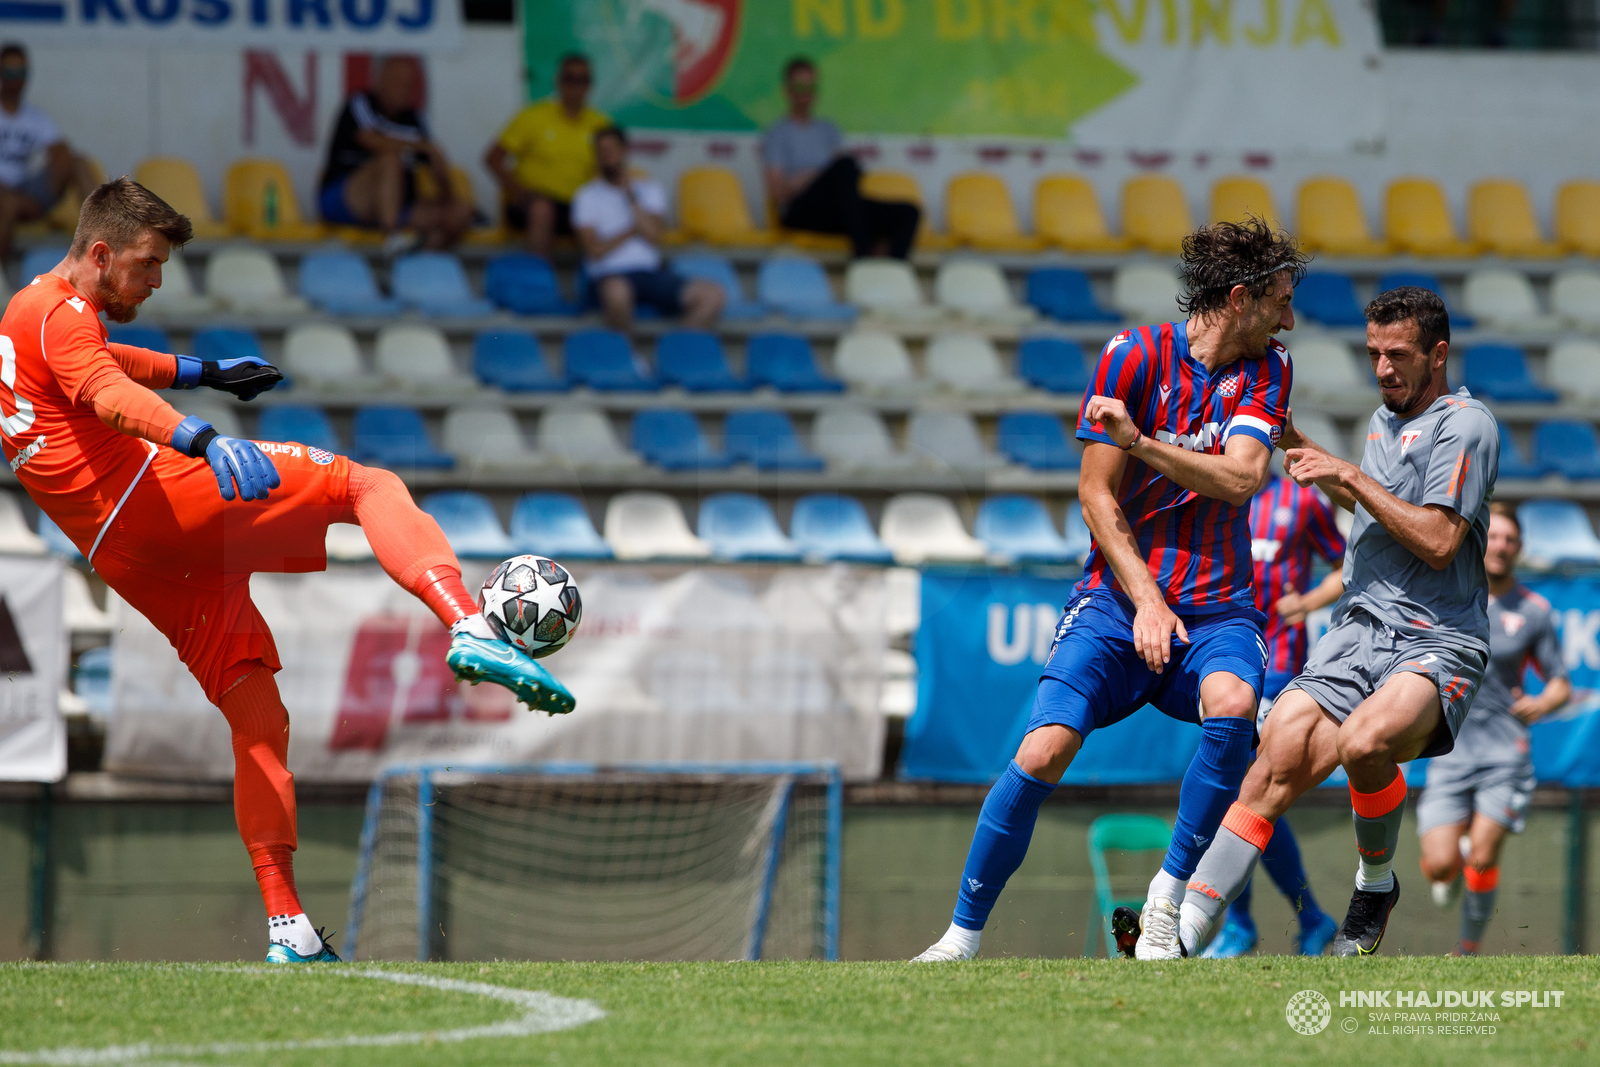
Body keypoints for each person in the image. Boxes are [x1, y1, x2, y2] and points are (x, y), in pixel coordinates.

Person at [0, 178, 572, 964]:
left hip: (125, 555)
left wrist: (204, 370)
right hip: (157, 495)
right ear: (100, 253)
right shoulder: (59, 315)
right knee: (367, 485)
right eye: (148, 263)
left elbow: (102, 361)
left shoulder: (34, 312)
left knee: (258, 717)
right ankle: (471, 626)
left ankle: (288, 927)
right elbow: (104, 393)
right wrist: (200, 437)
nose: (157, 280)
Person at [911, 218, 1302, 963]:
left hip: (1218, 608)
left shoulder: (1268, 369)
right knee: (1044, 749)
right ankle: (959, 936)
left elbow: (1244, 475)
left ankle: (1166, 898)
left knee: (1234, 704)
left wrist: (1140, 442)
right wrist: (1149, 600)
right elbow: (1096, 496)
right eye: (1281, 300)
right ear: (1243, 296)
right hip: (1118, 603)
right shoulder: (1132, 355)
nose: (1289, 318)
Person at [1176, 286, 1499, 958]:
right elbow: (1379, 515)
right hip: (1356, 634)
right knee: (1273, 761)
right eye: (1374, 352)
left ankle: (1374, 884)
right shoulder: (1385, 421)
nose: (1382, 367)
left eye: (1399, 354)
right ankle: (1172, 938)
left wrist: (1348, 476)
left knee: (1364, 741)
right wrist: (1303, 448)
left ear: (1438, 354)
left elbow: (1438, 540)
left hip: (1436, 639)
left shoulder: (1467, 424)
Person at [1200, 466, 1345, 958]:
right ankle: (1309, 918)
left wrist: (1306, 601)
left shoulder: (1301, 502)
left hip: (1278, 664)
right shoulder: (1213, 493)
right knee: (1239, 791)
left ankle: (1244, 923)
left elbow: (1350, 566)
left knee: (1243, 789)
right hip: (1222, 661)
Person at [1417, 502, 1568, 955]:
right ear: (1479, 542)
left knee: (1483, 856)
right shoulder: (1448, 598)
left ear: (1519, 548)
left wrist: (1542, 702)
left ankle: (1467, 949)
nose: (1500, 546)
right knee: (1441, 866)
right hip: (1449, 751)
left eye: (1509, 539)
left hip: (1505, 754)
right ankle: (1453, 861)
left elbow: (1560, 682)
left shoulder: (1535, 611)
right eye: (1494, 537)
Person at [761, 57, 919, 259]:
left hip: (837, 211)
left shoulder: (829, 129)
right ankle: (863, 256)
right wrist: (815, 175)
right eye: (800, 86)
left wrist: (812, 174)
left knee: (908, 212)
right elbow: (779, 194)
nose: (806, 93)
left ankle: (890, 273)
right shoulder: (778, 133)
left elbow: (842, 184)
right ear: (786, 89)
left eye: (811, 86)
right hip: (801, 211)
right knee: (845, 166)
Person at [573, 125, 722, 332]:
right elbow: (595, 250)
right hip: (607, 275)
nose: (607, 157)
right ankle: (631, 357)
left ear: (624, 151)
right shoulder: (586, 196)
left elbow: (654, 236)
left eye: (611, 150)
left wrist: (630, 197)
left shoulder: (649, 190)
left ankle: (673, 351)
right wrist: (633, 230)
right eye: (602, 151)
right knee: (618, 292)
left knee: (712, 295)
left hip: (650, 274)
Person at [317, 54, 472, 251]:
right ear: (380, 80)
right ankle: (392, 238)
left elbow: (431, 157)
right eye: (398, 81)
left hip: (400, 207)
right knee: (390, 160)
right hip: (346, 200)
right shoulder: (360, 104)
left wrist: (440, 169)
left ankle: (418, 261)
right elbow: (371, 140)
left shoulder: (414, 119)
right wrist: (420, 147)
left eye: (410, 83)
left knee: (460, 213)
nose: (405, 89)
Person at [485, 53, 610, 257]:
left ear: (590, 84)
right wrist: (518, 191)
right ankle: (541, 280)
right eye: (570, 78)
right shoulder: (533, 116)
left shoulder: (601, 124)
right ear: (558, 81)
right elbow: (492, 158)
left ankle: (597, 281)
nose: (576, 85)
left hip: (579, 205)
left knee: (600, 213)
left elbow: (611, 166)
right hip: (532, 201)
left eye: (583, 79)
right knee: (542, 209)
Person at [0, 42, 98, 261]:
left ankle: (103, 235)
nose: (16, 78)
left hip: (25, 192)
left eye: (21, 71)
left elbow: (60, 151)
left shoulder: (35, 117)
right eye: (10, 71)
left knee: (76, 161)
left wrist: (58, 163)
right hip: (4, 196)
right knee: (6, 201)